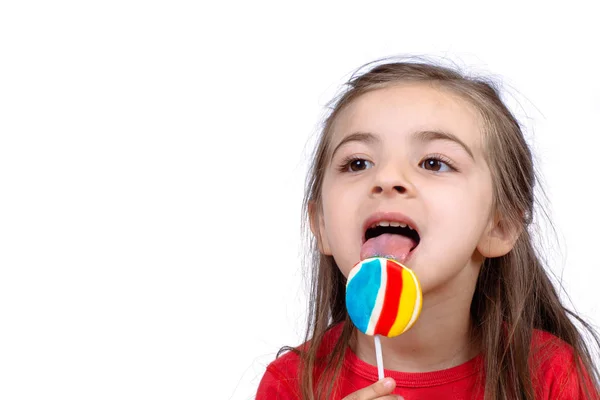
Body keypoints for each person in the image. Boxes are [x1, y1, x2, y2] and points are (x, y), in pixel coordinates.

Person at [255, 59, 600, 399]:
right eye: (358, 163)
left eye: (433, 163)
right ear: (322, 225)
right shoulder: (290, 385)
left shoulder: (551, 375)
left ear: (500, 225)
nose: (387, 178)